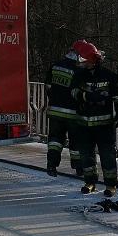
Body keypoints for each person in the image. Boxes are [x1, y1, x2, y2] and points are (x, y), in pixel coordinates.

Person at [71, 41, 118, 196]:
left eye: (86, 60)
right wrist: (87, 96)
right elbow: (72, 92)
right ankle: (90, 181)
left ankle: (111, 185)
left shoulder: (109, 76)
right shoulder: (78, 75)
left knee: (107, 155)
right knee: (86, 155)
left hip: (104, 124)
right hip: (83, 124)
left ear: (94, 59)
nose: (83, 63)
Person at [45, 41, 85, 177]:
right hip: (73, 114)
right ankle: (79, 168)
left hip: (55, 111)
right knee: (76, 142)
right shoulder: (79, 70)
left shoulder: (55, 66)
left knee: (55, 140)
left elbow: (48, 87)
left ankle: (51, 166)